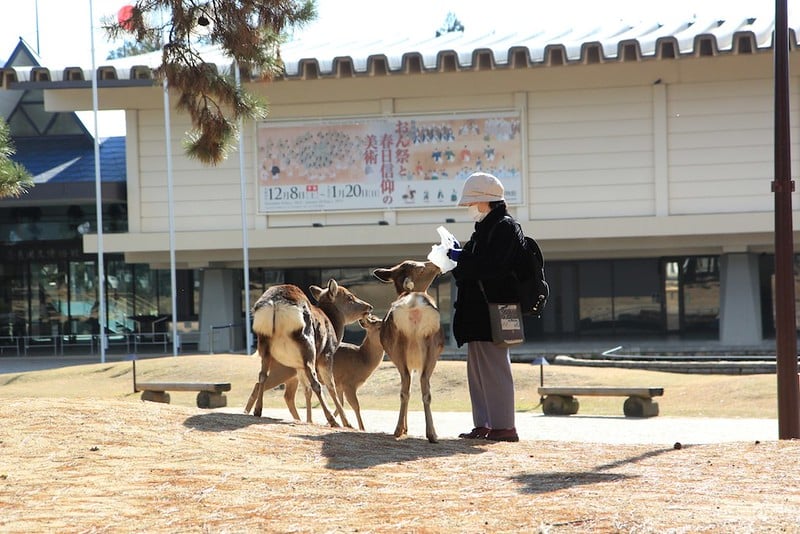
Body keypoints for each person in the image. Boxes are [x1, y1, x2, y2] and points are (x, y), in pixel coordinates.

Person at [447, 172, 525, 442]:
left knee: (494, 369)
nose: (470, 208)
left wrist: (462, 259)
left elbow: (492, 268)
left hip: (494, 310)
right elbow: (480, 263)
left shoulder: (504, 227)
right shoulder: (489, 227)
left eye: (472, 203)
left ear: (484, 202)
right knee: (479, 371)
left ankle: (504, 426)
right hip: (479, 312)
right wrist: (462, 257)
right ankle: (484, 424)